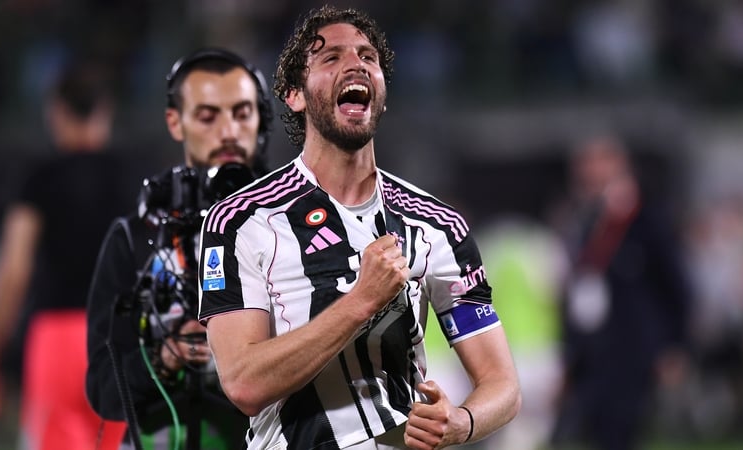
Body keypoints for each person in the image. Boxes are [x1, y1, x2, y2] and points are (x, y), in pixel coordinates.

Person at [198, 6, 522, 450]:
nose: (355, 64)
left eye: (368, 57)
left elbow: (501, 383)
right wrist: (361, 301)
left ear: (383, 93)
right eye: (331, 58)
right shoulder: (240, 222)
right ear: (294, 94)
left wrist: (461, 423)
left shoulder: (437, 226)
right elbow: (243, 384)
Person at [85, 48, 274, 450]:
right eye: (208, 116)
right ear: (176, 122)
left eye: (242, 113)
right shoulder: (135, 237)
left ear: (261, 119)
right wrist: (165, 358)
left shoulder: (295, 227)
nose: (228, 131)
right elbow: (103, 390)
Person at [0, 62, 134, 449]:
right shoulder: (131, 179)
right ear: (105, 111)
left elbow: (14, 270)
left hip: (57, 341)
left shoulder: (40, 178)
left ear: (56, 112)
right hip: (117, 342)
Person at [549, 134, 691, 450]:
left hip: (632, 348)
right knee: (595, 430)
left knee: (622, 429)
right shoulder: (584, 221)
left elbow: (675, 286)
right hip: (592, 351)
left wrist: (674, 346)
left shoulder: (646, 219)